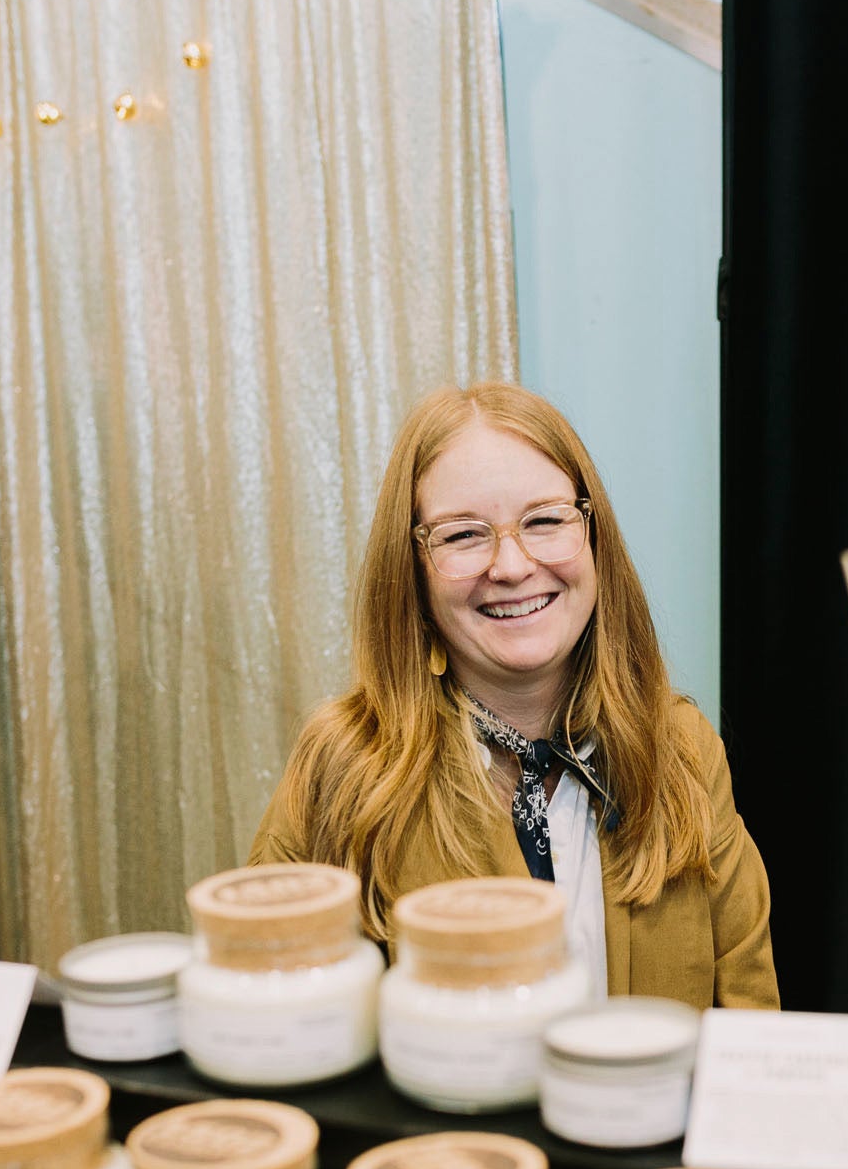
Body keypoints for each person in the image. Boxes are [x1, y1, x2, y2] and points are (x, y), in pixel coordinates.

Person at [250, 382, 778, 1008]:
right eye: (463, 535)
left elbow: (751, 1033)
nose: (511, 565)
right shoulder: (341, 768)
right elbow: (265, 1013)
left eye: (545, 520)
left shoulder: (681, 748)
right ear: (414, 573)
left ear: (594, 539)